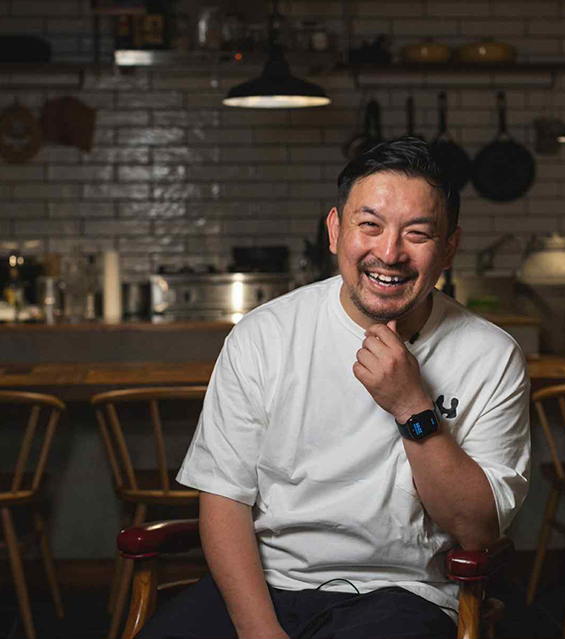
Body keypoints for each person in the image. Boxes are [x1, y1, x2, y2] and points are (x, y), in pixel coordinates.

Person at [138, 136, 530, 639]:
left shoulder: (491, 355)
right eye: (369, 225)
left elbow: (476, 530)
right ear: (335, 230)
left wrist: (412, 406)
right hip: (264, 586)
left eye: (417, 234)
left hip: (402, 597)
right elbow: (224, 499)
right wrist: (260, 631)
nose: (389, 253)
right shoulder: (265, 334)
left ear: (449, 248)